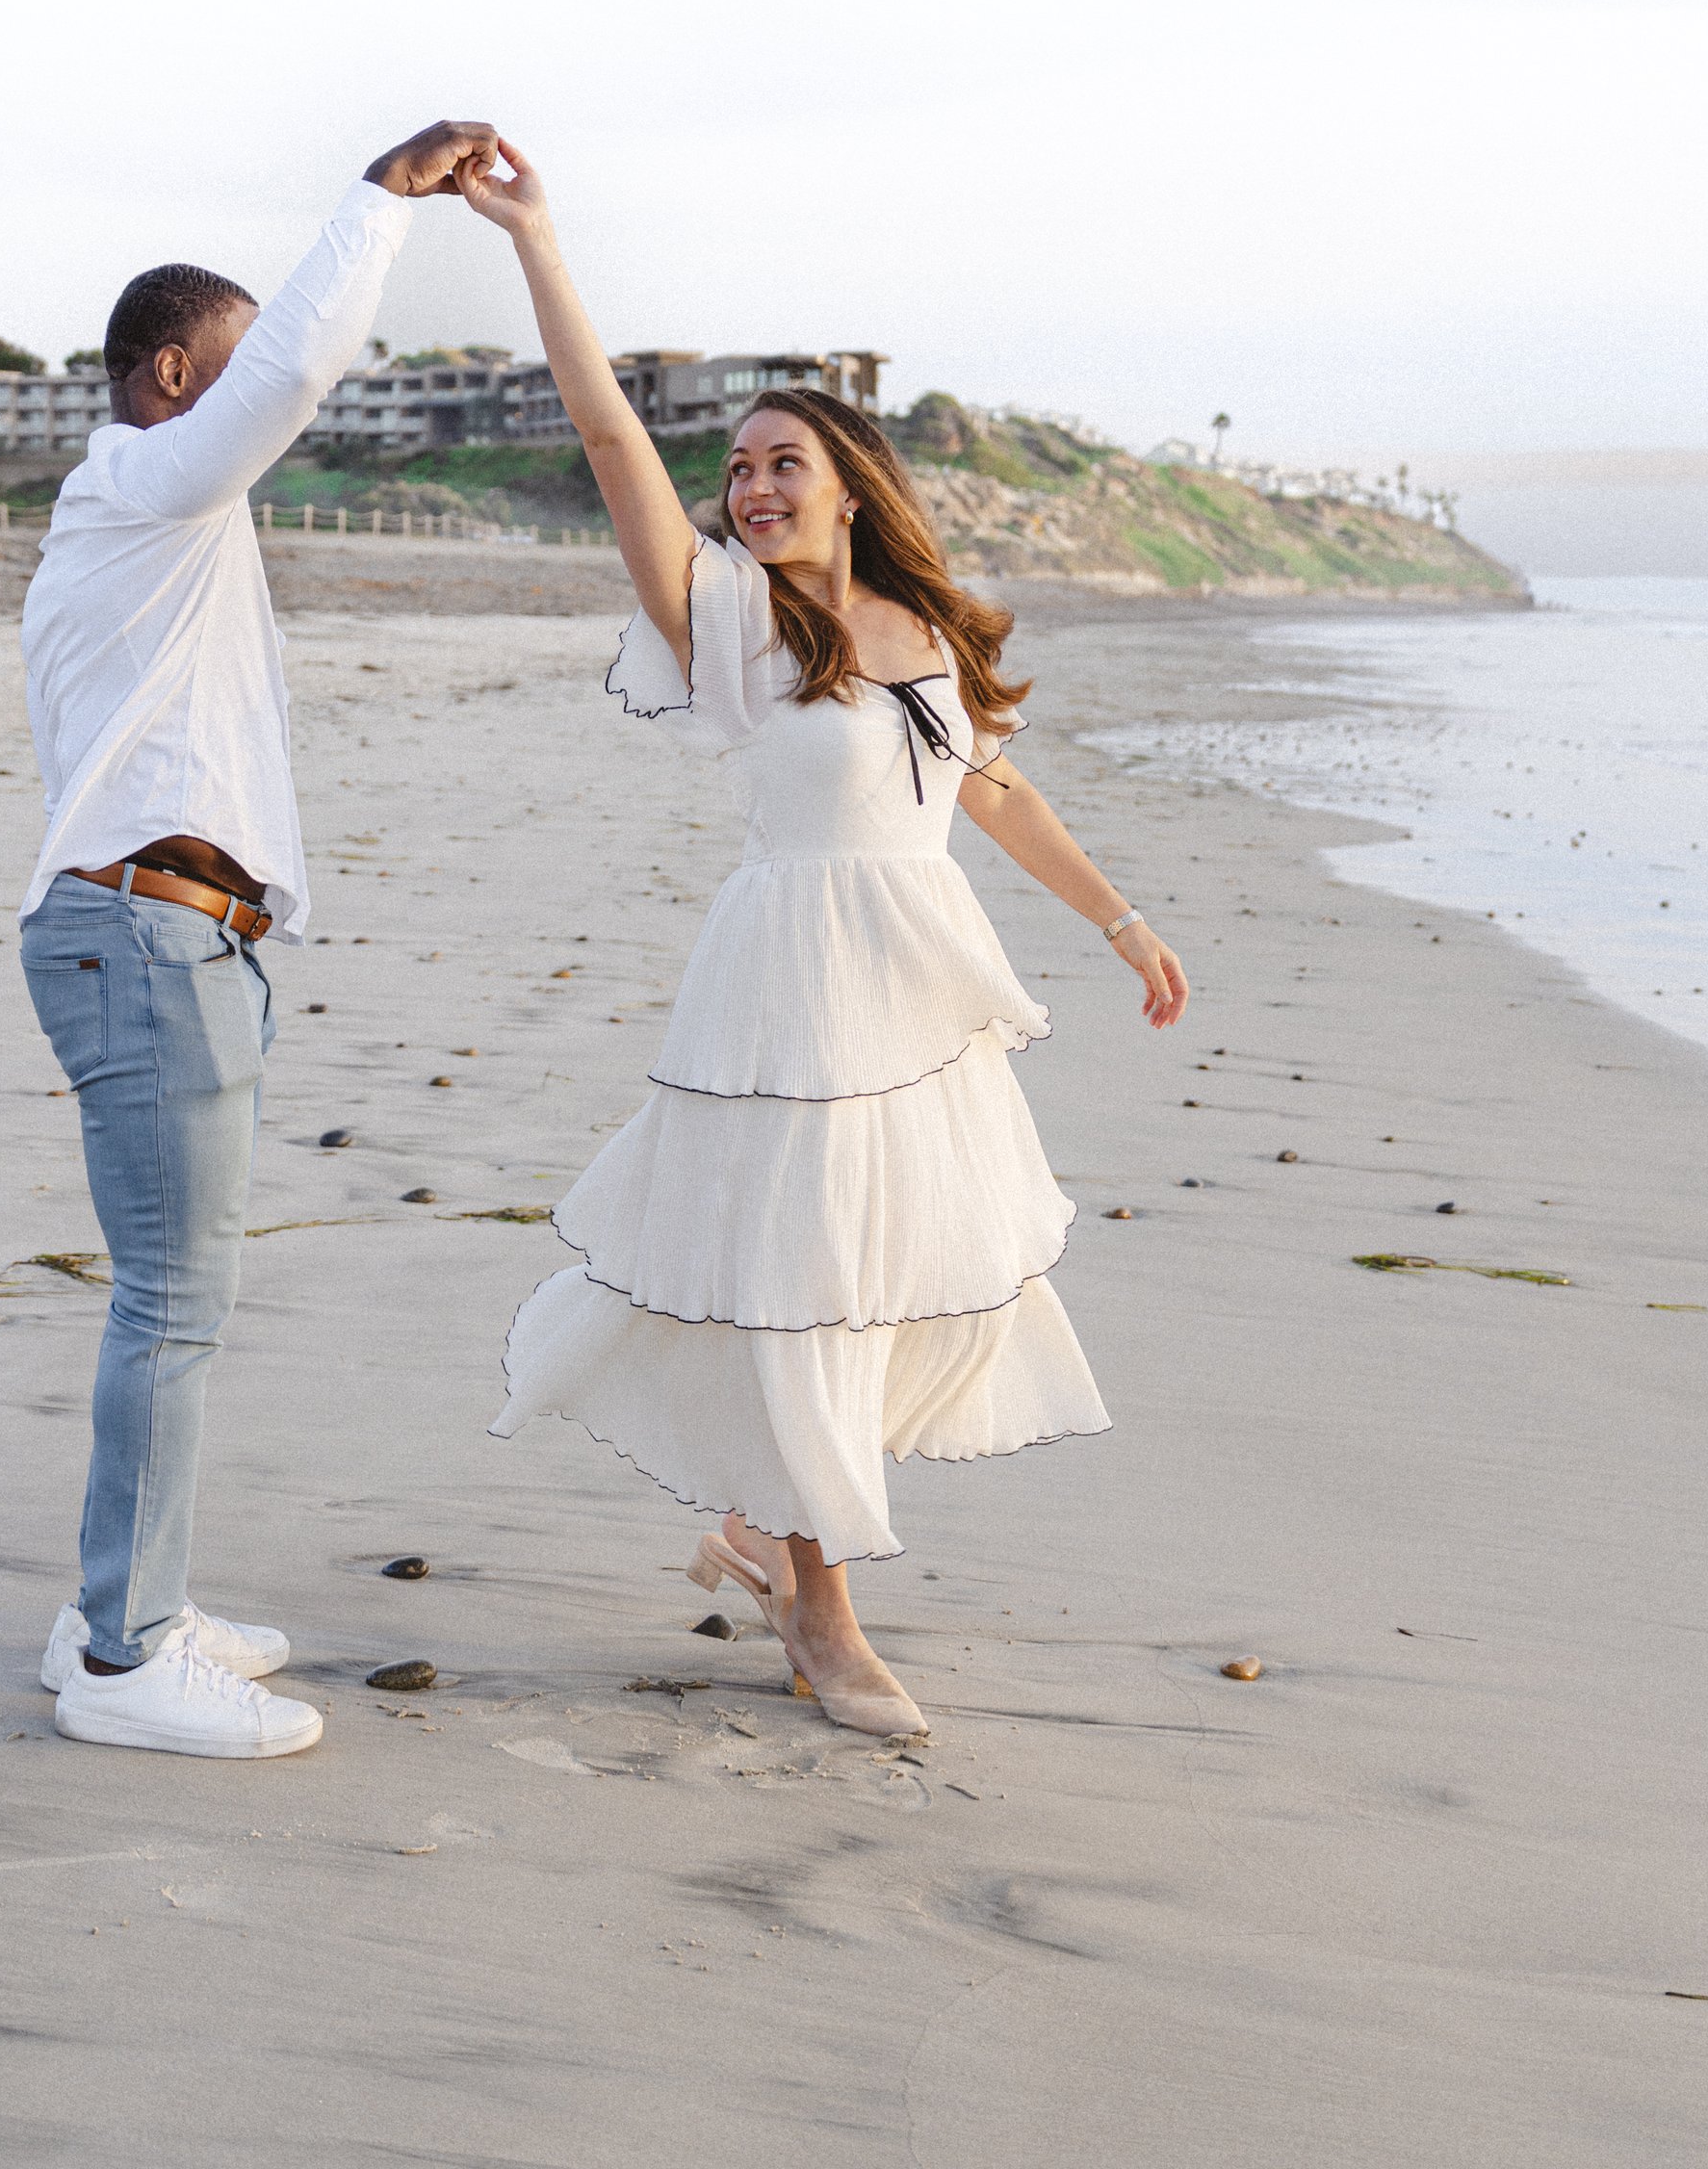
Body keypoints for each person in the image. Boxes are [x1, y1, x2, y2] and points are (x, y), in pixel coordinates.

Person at [464, 142, 1187, 1736]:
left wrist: (1123, 923)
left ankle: (759, 1522)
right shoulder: (730, 624)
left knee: (910, 1287)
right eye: (739, 467)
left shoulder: (925, 632)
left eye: (785, 459)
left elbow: (993, 797)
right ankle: (822, 1607)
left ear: (853, 482)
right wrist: (539, 242)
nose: (755, 483)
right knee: (811, 1288)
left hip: (915, 1004)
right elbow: (604, 435)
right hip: (787, 997)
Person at [17, 119, 498, 1760]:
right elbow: (289, 371)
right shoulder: (143, 481)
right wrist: (382, 201)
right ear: (168, 378)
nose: (258, 425)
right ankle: (124, 1650)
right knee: (172, 1302)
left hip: (174, 940)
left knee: (176, 1299)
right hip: (143, 941)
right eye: (218, 387)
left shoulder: (156, 530)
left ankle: (125, 1602)